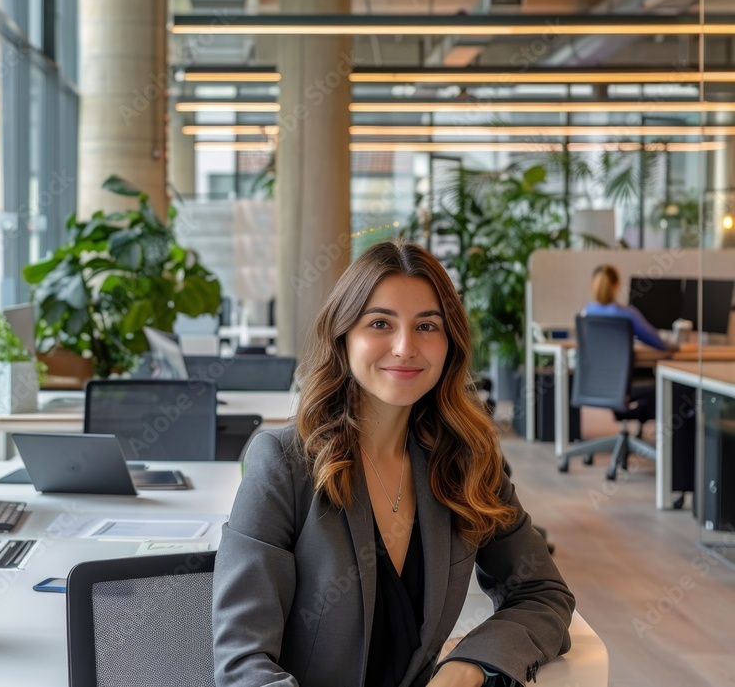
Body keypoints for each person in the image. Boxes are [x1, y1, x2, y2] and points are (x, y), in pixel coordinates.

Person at [213, 240, 574, 687]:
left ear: (450, 344)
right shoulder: (283, 464)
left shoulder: (467, 462)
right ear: (344, 336)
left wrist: (468, 666)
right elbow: (243, 661)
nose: (405, 347)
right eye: (380, 323)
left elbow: (542, 591)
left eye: (427, 326)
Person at [583, 264, 671, 351]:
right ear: (617, 284)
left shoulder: (587, 311)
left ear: (592, 284)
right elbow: (656, 341)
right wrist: (676, 346)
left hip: (591, 365)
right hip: (621, 364)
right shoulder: (628, 314)